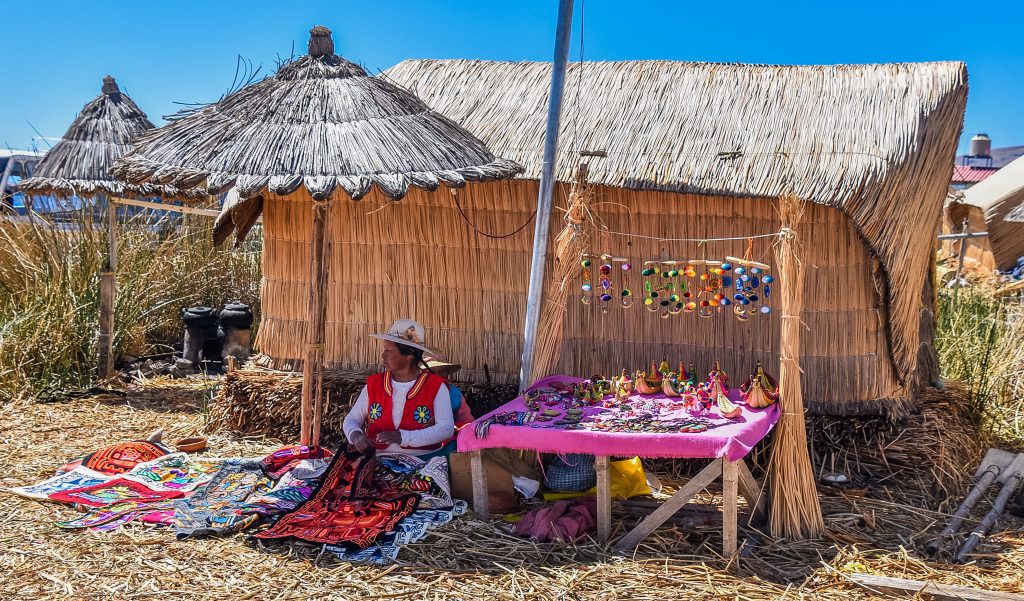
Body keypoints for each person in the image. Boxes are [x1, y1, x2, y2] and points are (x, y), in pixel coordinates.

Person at [344, 319, 455, 457]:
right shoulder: (374, 384)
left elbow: (446, 429)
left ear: (409, 355)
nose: (383, 354)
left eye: (389, 350)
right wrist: (356, 436)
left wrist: (404, 437)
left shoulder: (436, 386)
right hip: (377, 459)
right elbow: (351, 419)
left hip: (423, 461)